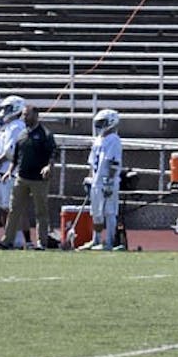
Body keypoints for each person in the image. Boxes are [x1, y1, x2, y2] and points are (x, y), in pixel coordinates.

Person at [0, 104, 57, 250]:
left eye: (27, 115)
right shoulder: (22, 134)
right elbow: (16, 157)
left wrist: (48, 167)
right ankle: (7, 241)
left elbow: (52, 154)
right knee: (14, 210)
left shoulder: (45, 134)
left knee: (40, 212)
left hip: (39, 180)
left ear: (35, 115)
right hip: (21, 177)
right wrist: (9, 171)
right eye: (23, 114)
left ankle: (41, 242)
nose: (24, 117)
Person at [81, 108, 123, 252]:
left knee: (109, 212)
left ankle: (109, 241)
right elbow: (92, 163)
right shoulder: (98, 140)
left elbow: (113, 162)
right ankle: (96, 239)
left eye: (102, 123)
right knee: (96, 213)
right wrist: (90, 178)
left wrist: (110, 181)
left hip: (107, 181)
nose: (99, 126)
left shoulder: (114, 139)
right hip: (96, 181)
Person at [0, 95, 26, 248]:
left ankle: (15, 239)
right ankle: (8, 238)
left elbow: (11, 150)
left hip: (10, 172)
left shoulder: (16, 126)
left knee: (11, 208)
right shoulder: (10, 126)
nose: (4, 112)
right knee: (4, 208)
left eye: (7, 109)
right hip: (3, 172)